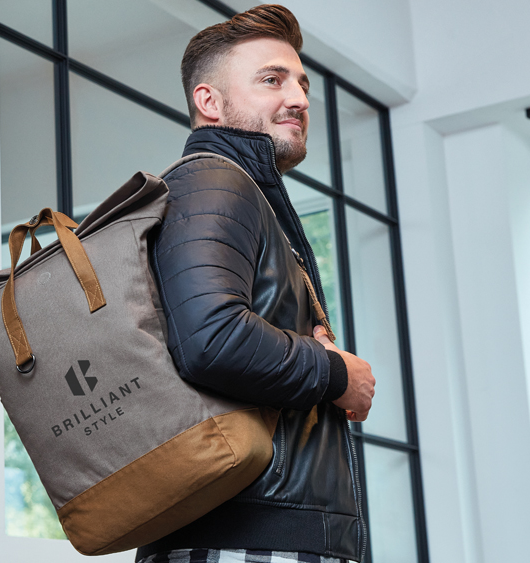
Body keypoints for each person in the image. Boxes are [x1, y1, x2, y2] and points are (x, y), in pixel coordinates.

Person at [138, 5, 376, 563]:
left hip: (257, 534)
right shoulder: (212, 180)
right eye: (271, 79)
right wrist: (339, 371)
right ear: (210, 102)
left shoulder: (242, 190)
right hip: (248, 541)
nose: (297, 97)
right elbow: (212, 338)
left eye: (301, 83)